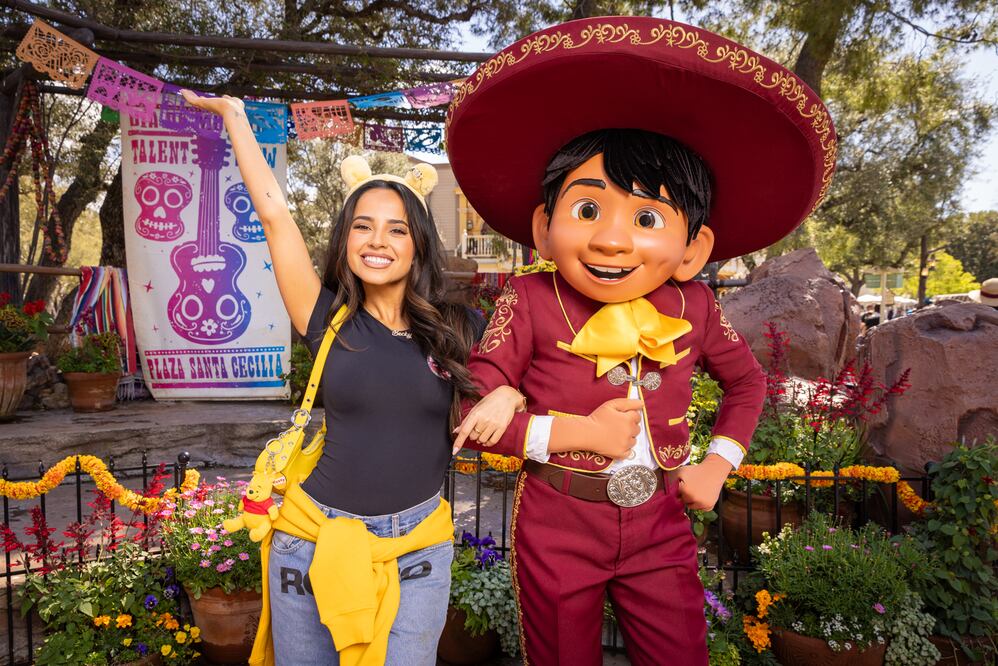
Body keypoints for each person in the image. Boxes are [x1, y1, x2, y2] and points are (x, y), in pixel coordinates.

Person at [449, 16, 835, 665]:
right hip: (558, 524)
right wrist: (570, 432)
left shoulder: (697, 304)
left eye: (648, 218)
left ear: (693, 248)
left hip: (660, 524)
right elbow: (472, 411)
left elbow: (747, 381)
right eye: (588, 209)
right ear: (544, 228)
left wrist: (717, 465)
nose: (611, 239)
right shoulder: (532, 298)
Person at [180, 91, 522, 666]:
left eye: (396, 230)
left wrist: (511, 392)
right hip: (311, 540)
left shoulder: (461, 325)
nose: (378, 242)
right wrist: (235, 118)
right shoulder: (324, 317)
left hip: (418, 547)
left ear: (418, 245)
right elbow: (273, 214)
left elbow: (526, 373)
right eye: (363, 227)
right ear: (345, 239)